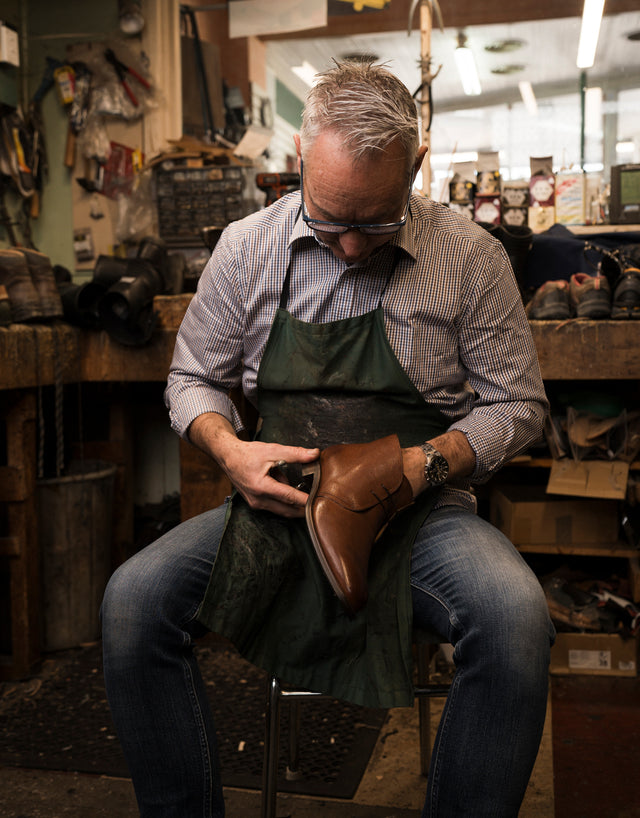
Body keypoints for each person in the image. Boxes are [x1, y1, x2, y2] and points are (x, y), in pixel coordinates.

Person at [102, 61, 554, 817]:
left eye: (374, 223)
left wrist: (427, 463)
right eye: (329, 220)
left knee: (514, 619)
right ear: (301, 159)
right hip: (277, 503)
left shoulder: (470, 258)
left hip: (422, 513)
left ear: (416, 164)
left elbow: (518, 404)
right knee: (132, 602)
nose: (350, 248)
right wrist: (229, 451)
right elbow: (191, 383)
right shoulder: (247, 249)